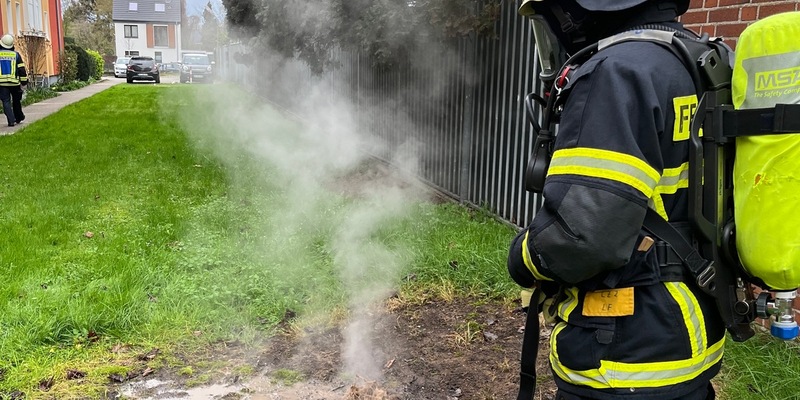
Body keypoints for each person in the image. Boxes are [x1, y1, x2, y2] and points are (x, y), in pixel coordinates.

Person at [507, 1, 725, 399]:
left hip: (621, 355)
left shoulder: (616, 72)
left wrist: (523, 258)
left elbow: (583, 236)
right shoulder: (699, 60)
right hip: (689, 332)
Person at [0, 33, 26, 127]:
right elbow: (21, 69)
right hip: (14, 83)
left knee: (6, 101)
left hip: (2, 83)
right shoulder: (16, 55)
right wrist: (24, 81)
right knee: (16, 101)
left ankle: (11, 121)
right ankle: (18, 117)